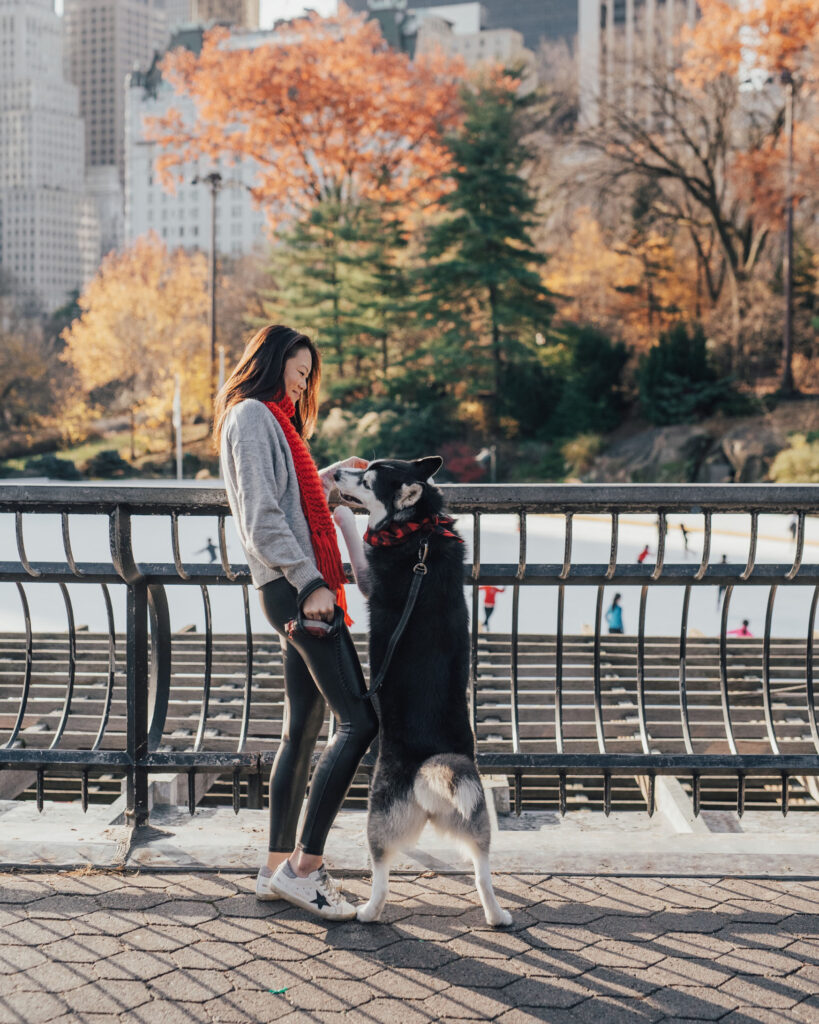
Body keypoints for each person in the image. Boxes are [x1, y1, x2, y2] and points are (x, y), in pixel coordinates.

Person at [214, 324, 378, 920]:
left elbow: (286, 495)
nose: (303, 381)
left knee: (303, 732)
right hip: (298, 588)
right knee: (361, 720)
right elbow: (261, 516)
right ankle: (303, 870)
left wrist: (325, 476)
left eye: (309, 374)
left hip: (294, 586)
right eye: (298, 368)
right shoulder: (254, 416)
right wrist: (311, 583)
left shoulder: (275, 424)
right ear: (269, 361)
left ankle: (273, 868)